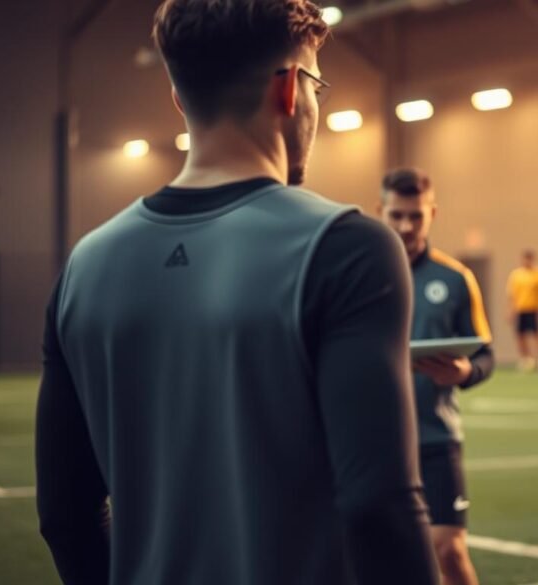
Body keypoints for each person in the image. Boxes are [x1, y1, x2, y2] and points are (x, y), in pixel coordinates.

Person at [35, 2, 438, 584]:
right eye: (318, 85)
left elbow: (64, 515)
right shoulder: (346, 247)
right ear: (291, 89)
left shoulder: (84, 266)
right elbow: (381, 507)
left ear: (180, 99)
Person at [378, 168, 494, 585]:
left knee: (448, 548)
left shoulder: (456, 278)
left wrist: (465, 371)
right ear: (380, 211)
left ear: (433, 213)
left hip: (436, 438)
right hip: (375, 440)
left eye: (416, 216)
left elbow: (485, 355)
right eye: (397, 215)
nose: (406, 226)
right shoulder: (359, 274)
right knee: (380, 556)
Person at [507, 250, 538, 372]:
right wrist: (511, 311)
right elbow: (512, 295)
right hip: (520, 309)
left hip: (534, 309)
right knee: (520, 335)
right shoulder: (516, 275)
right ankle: (527, 359)